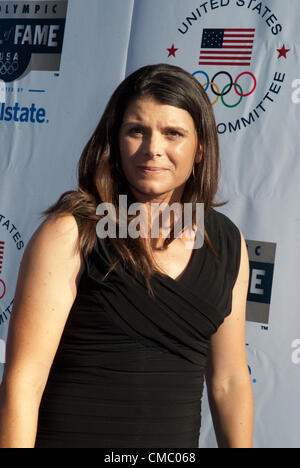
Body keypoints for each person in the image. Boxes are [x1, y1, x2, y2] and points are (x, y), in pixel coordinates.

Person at [0, 63, 253, 448]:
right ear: (115, 140)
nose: (154, 149)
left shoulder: (226, 242)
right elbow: (23, 382)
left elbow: (229, 380)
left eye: (173, 134)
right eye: (137, 130)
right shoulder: (71, 233)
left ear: (200, 148)